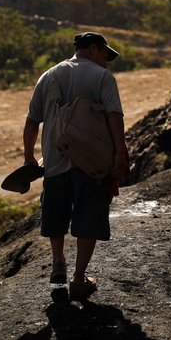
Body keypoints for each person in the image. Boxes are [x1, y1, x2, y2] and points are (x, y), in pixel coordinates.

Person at [23, 32, 130, 301]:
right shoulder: (103, 77)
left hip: (54, 162)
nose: (106, 62)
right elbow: (114, 116)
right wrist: (121, 151)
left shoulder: (48, 76)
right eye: (105, 55)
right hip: (91, 164)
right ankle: (79, 279)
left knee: (56, 214)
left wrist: (29, 159)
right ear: (94, 49)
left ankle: (58, 261)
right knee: (88, 218)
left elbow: (31, 122)